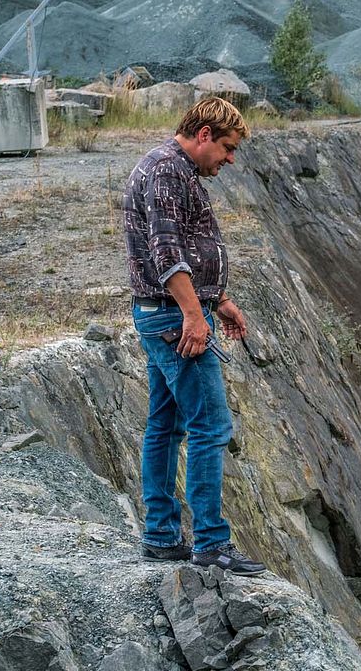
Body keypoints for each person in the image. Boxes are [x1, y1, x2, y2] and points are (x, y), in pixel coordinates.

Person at [122, 96, 266, 576]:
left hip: (164, 313)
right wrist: (193, 315)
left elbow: (185, 244)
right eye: (227, 148)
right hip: (171, 319)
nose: (230, 159)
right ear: (203, 133)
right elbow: (166, 254)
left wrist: (217, 300)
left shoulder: (178, 170)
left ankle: (162, 536)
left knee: (165, 426)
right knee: (210, 426)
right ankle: (211, 543)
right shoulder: (166, 171)